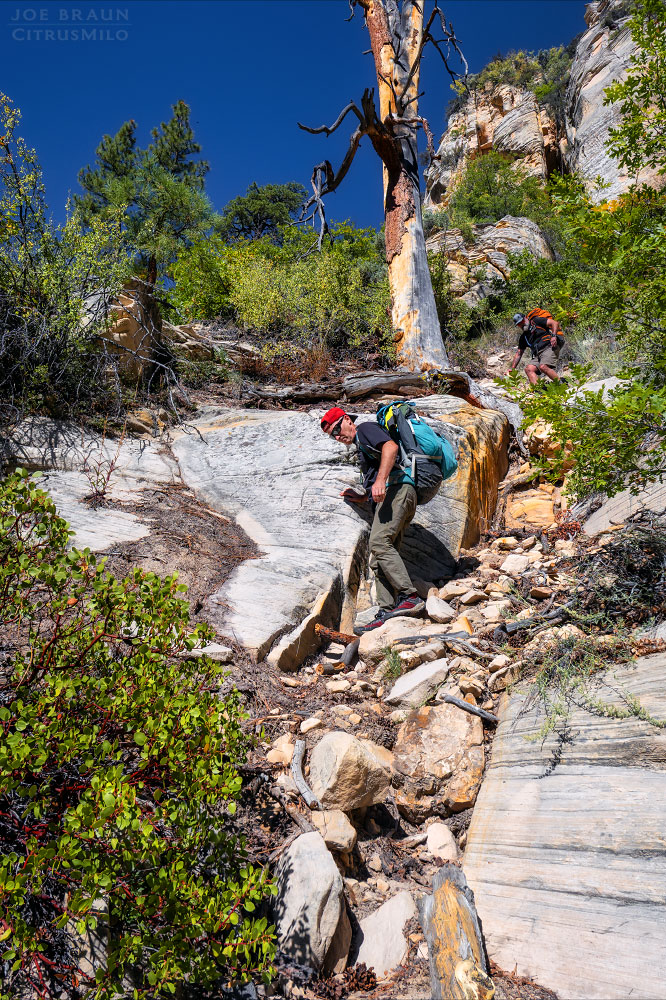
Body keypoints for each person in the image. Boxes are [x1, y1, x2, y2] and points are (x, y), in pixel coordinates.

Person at [320, 406, 425, 635]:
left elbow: (390, 447)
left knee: (378, 543)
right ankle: (387, 610)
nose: (338, 437)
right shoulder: (361, 444)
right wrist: (363, 495)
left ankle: (410, 596)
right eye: (333, 436)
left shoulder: (365, 429)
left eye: (338, 429)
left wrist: (380, 481)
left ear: (347, 419)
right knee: (378, 558)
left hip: (398, 489)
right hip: (396, 494)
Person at [508, 310, 567, 385]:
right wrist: (512, 368)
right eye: (519, 324)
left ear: (526, 318)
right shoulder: (524, 337)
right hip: (538, 354)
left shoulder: (536, 321)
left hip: (550, 347)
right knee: (528, 369)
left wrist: (554, 336)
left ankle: (561, 385)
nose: (521, 324)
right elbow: (519, 353)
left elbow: (554, 323)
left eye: (522, 321)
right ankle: (539, 391)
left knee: (543, 366)